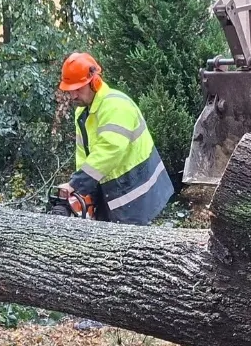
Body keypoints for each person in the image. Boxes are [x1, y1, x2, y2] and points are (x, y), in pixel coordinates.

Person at [58, 52, 174, 225]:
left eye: (78, 89)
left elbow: (110, 149)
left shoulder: (116, 106)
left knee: (131, 239)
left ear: (94, 82)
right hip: (112, 188)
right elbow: (83, 156)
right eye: (70, 90)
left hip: (136, 185)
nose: (74, 96)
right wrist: (84, 190)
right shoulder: (82, 113)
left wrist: (76, 183)